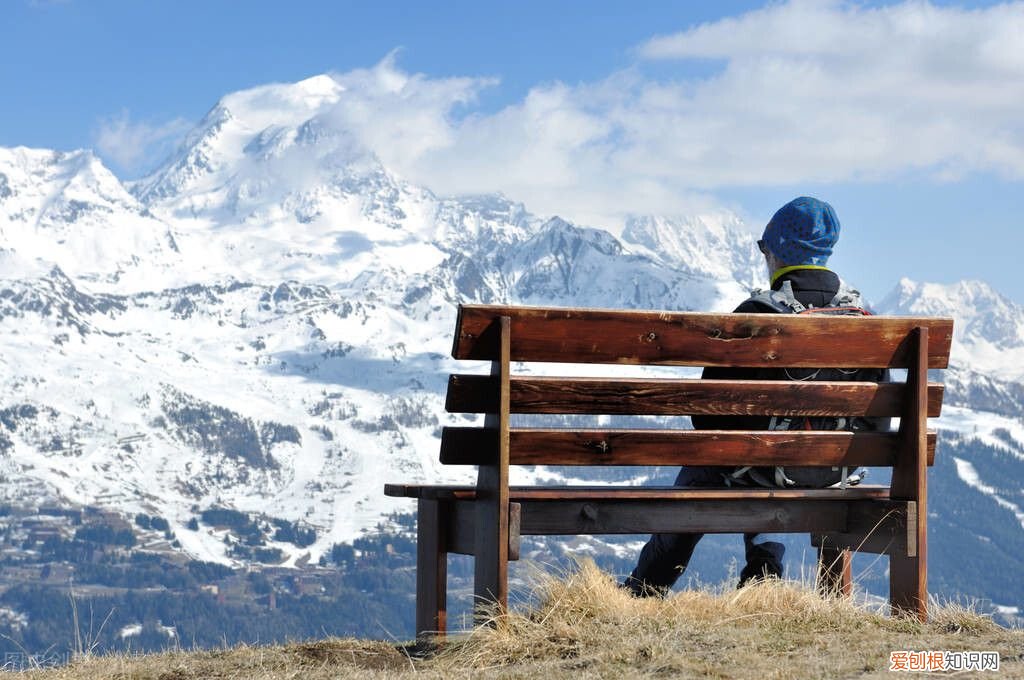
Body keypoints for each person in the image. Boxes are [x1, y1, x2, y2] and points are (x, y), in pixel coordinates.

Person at [623, 196, 875, 596]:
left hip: (759, 465)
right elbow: (877, 420)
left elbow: (706, 414)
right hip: (835, 473)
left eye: (764, 247)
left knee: (710, 467)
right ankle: (762, 574)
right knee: (758, 457)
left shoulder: (756, 312)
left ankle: (645, 589)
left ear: (775, 250)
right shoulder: (867, 323)